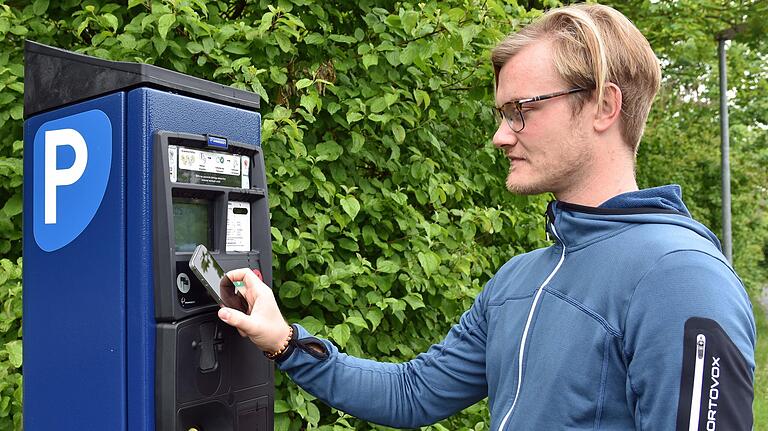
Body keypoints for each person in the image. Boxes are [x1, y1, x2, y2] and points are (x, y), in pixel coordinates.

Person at [218, 4, 756, 430]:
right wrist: (286, 343)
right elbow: (414, 393)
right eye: (503, 113)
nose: (501, 135)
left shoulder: (678, 277)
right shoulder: (520, 278)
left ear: (603, 107)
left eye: (522, 110)